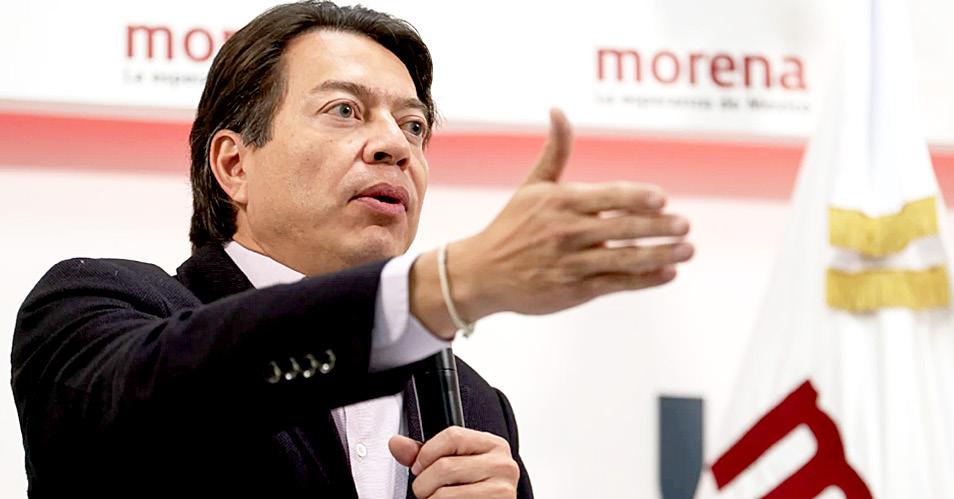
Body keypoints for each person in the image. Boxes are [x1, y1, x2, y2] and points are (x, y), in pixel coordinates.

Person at [11, 2, 694, 498]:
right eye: (344, 110)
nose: (396, 145)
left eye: (414, 125)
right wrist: (446, 286)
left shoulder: (478, 405)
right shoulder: (98, 309)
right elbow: (167, 396)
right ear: (233, 164)